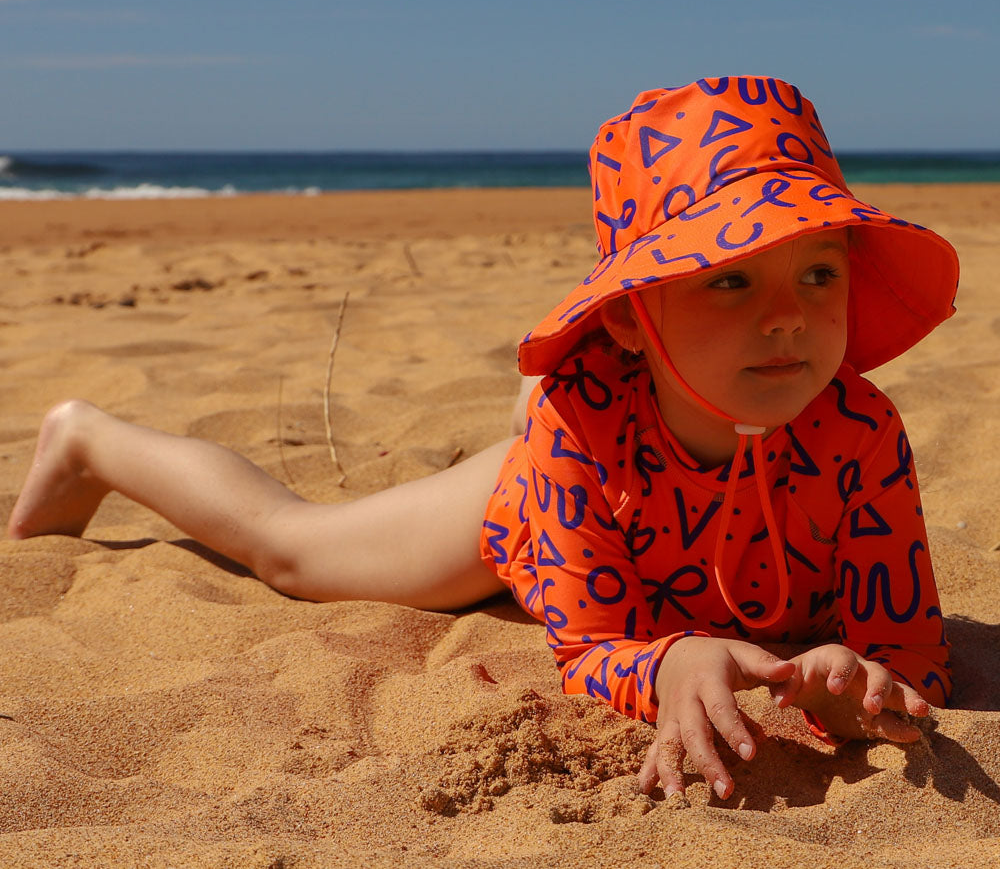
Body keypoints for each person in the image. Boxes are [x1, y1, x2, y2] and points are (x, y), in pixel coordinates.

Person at [8, 76, 959, 804]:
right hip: (536, 507)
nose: (791, 319)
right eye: (728, 280)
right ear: (628, 317)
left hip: (629, 483)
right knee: (293, 550)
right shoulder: (582, 419)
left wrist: (861, 684)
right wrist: (667, 661)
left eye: (820, 271)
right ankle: (87, 437)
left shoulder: (862, 431)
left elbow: (906, 646)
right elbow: (592, 644)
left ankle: (543, 398)